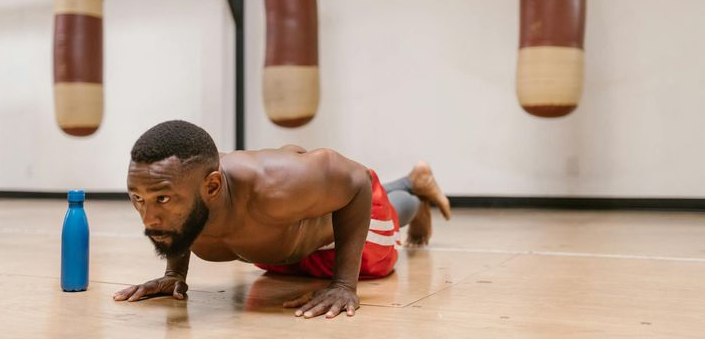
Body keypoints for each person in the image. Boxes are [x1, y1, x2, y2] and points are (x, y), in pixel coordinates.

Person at [113, 120, 451, 319]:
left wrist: (344, 285)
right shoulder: (188, 188)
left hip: (334, 229)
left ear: (213, 186)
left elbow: (359, 182)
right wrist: (174, 273)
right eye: (137, 198)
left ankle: (413, 188)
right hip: (283, 244)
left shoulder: (272, 187)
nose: (149, 216)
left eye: (162, 199)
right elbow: (181, 217)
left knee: (387, 235)